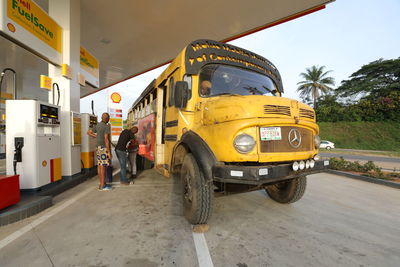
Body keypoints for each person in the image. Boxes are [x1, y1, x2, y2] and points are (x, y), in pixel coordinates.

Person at [87, 113, 112, 191]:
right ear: (108, 118)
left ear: (101, 118)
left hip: (98, 148)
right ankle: (102, 185)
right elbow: (106, 139)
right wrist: (108, 151)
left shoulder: (97, 125)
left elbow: (88, 132)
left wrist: (96, 136)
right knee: (103, 167)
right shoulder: (106, 126)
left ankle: (101, 183)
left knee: (99, 166)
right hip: (103, 148)